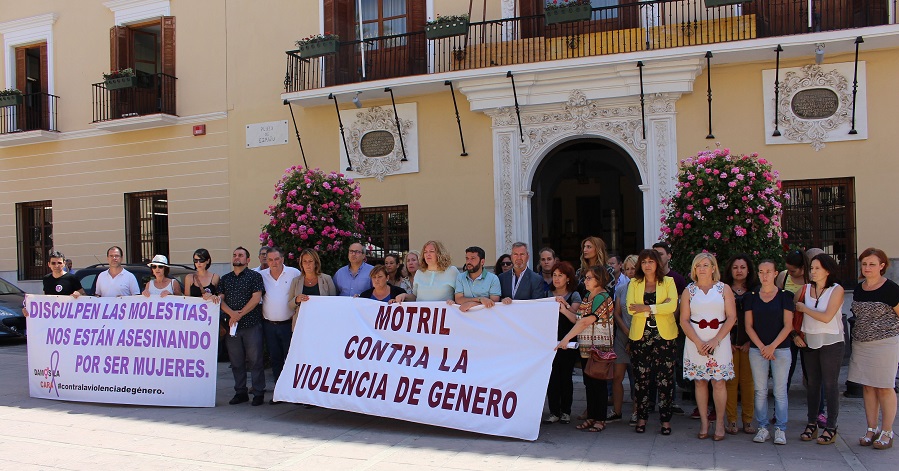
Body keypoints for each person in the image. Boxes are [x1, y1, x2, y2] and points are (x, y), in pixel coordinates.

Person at [680, 253, 737, 441]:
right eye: (698, 266)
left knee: (719, 381)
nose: (702, 268)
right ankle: (704, 422)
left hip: (718, 340)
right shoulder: (689, 291)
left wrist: (716, 340)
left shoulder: (724, 289)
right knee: (699, 381)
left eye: (706, 265)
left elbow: (731, 317)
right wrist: (697, 341)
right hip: (695, 341)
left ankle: (720, 422)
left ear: (714, 268)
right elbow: (684, 320)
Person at [849, 248, 899, 450]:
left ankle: (887, 431)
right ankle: (871, 428)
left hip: (885, 344)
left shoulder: (891, 289)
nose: (867, 268)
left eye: (872, 264)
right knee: (868, 387)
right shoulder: (859, 288)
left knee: (884, 387)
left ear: (882, 266)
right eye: (864, 264)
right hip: (861, 344)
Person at [557, 265, 614, 432]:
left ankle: (600, 418)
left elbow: (584, 322)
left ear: (599, 280)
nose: (585, 281)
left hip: (599, 347)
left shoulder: (602, 297)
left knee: (598, 384)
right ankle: (591, 416)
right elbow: (577, 318)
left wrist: (565, 339)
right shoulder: (588, 296)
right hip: (586, 347)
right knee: (589, 383)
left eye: (589, 278)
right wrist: (565, 308)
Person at [795, 253, 845, 444]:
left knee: (830, 384)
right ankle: (811, 423)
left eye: (817, 268)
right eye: (811, 268)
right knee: (812, 384)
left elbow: (826, 316)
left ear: (827, 270)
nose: (813, 272)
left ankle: (831, 427)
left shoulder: (837, 290)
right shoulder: (805, 289)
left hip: (831, 341)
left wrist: (804, 309)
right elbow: (792, 314)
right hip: (810, 340)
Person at [628, 249, 679, 434]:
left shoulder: (668, 281)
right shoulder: (634, 283)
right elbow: (631, 309)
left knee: (665, 380)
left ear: (657, 263)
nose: (647, 265)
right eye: (643, 262)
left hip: (664, 337)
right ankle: (641, 418)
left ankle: (665, 421)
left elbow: (672, 306)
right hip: (640, 337)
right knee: (641, 380)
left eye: (651, 261)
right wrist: (659, 307)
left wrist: (647, 307)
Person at [744, 260, 795, 445]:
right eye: (761, 271)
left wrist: (772, 346)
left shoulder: (785, 296)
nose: (764, 275)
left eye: (768, 271)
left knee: (780, 391)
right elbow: (749, 327)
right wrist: (762, 347)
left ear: (775, 273)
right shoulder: (751, 297)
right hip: (757, 350)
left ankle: (781, 429)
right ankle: (762, 427)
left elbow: (788, 325)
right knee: (760, 390)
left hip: (780, 350)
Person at [218, 247, 266, 406]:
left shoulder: (255, 276)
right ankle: (240, 392)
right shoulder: (225, 279)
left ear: (248, 260)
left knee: (255, 360)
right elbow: (220, 299)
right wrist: (232, 314)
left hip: (251, 324)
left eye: (240, 255)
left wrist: (240, 314)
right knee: (236, 361)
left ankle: (258, 392)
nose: (236, 257)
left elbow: (256, 298)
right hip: (232, 326)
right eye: (234, 255)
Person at [722, 254, 757, 435]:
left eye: (742, 267)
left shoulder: (756, 291)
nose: (739, 271)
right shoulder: (722, 290)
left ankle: (748, 421)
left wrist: (751, 341)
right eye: (735, 267)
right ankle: (732, 421)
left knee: (748, 383)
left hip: (750, 343)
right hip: (728, 343)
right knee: (730, 382)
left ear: (748, 270)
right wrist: (726, 340)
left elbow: (760, 319)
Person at [543, 261, 582, 425]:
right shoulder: (546, 294)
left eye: (560, 275)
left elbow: (575, 318)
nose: (557, 278)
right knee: (552, 378)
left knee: (565, 377)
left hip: (568, 342)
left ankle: (566, 411)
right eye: (554, 275)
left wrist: (563, 306)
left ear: (568, 278)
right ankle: (553, 412)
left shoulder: (574, 295)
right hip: (549, 342)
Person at [260, 247, 301, 393]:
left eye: (276, 259)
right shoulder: (261, 275)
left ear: (282, 259)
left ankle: (293, 391)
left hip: (288, 325)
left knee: (291, 358)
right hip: (269, 325)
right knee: (275, 359)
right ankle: (279, 391)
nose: (274, 262)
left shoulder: (294, 273)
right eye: (270, 259)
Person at [776, 249, 810, 392]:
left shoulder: (812, 279)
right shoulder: (783, 277)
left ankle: (815, 404)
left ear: (803, 268)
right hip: (788, 328)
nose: (789, 273)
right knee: (787, 369)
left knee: (810, 369)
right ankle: (782, 399)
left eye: (793, 271)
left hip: (808, 328)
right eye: (788, 269)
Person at [609, 254, 636, 424]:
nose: (631, 271)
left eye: (634, 268)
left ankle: (636, 412)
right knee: (617, 376)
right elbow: (617, 314)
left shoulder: (648, 289)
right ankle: (617, 412)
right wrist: (627, 333)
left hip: (640, 337)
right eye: (627, 269)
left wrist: (634, 337)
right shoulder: (621, 289)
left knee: (638, 378)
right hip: (622, 336)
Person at [288, 249, 338, 330]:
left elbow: (334, 302)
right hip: (301, 324)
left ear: (316, 263)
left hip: (322, 323)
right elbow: (290, 305)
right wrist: (296, 300)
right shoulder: (296, 281)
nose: (308, 264)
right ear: (301, 264)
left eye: (310, 261)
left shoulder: (326, 279)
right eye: (305, 261)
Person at [394, 241, 459, 302]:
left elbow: (460, 295)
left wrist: (454, 302)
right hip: (422, 313)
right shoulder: (419, 272)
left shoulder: (452, 271)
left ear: (440, 254)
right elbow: (415, 296)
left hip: (444, 313)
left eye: (431, 251)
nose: (428, 254)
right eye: (425, 252)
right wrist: (404, 296)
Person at [453, 246, 501, 312]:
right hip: (464, 319)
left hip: (486, 318)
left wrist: (471, 304)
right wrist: (480, 299)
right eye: (467, 258)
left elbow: (494, 302)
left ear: (482, 262)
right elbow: (458, 299)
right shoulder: (460, 277)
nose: (468, 262)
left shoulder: (493, 279)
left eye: (473, 258)